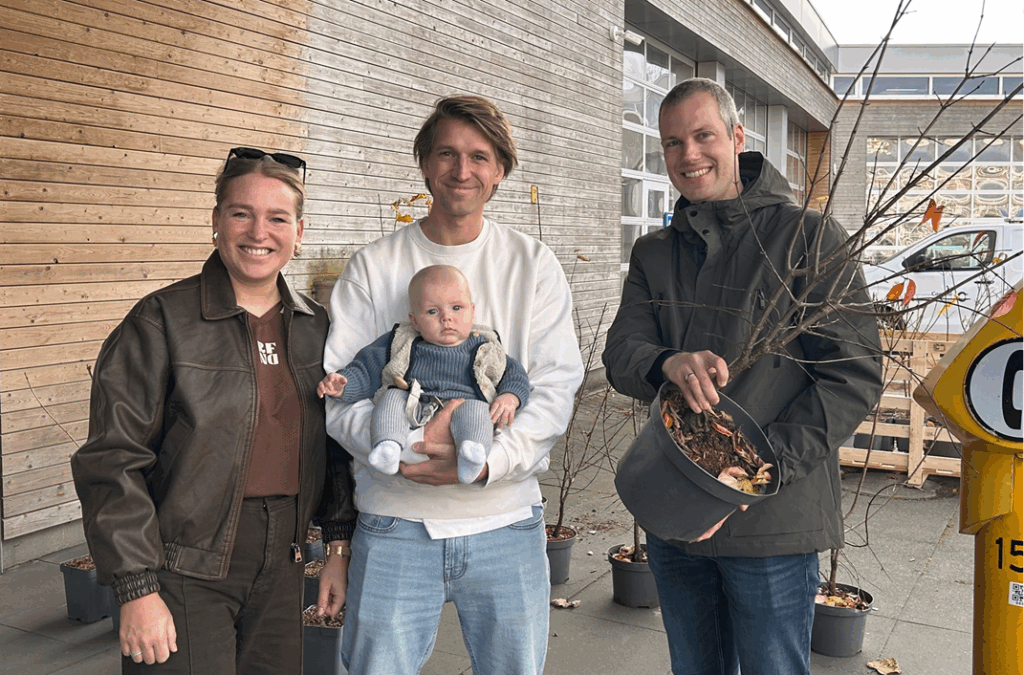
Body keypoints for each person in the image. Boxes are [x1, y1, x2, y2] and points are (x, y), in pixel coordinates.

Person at [602, 77, 884, 675]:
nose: (688, 155)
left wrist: (756, 472)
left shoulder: (808, 239)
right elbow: (622, 351)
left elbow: (851, 376)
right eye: (673, 142)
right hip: (675, 515)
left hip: (772, 525)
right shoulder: (655, 253)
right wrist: (667, 362)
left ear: (736, 137)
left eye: (703, 136)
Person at [324, 95, 584, 674]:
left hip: (506, 521)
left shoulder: (533, 264)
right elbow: (342, 395)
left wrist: (490, 462)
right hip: (394, 523)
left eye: (479, 156)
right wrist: (410, 456)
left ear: (500, 170)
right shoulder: (372, 266)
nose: (462, 170)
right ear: (424, 162)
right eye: (446, 153)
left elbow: (553, 387)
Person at [70, 147, 357, 674]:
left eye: (278, 218)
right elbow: (113, 460)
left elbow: (336, 447)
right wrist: (136, 587)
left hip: (286, 560)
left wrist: (337, 549)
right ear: (216, 221)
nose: (258, 232)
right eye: (241, 213)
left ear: (299, 231)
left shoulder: (317, 326)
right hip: (184, 564)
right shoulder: (160, 321)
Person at [317, 264, 530, 485]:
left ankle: (472, 454)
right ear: (415, 321)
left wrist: (510, 396)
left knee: (478, 411)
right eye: (432, 312)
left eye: (457, 308)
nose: (446, 318)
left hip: (465, 404)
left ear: (472, 311)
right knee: (391, 397)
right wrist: (344, 384)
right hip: (413, 403)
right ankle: (388, 446)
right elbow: (366, 368)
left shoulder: (485, 346)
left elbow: (514, 373)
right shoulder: (401, 341)